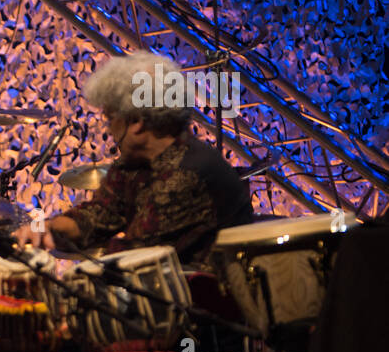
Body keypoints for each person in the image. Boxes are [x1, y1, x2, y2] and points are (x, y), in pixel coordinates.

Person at [14, 51, 253, 266]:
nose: (108, 129)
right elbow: (98, 215)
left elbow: (131, 256)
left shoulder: (187, 174)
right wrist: (45, 228)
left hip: (211, 306)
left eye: (110, 118)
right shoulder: (136, 163)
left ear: (136, 122)